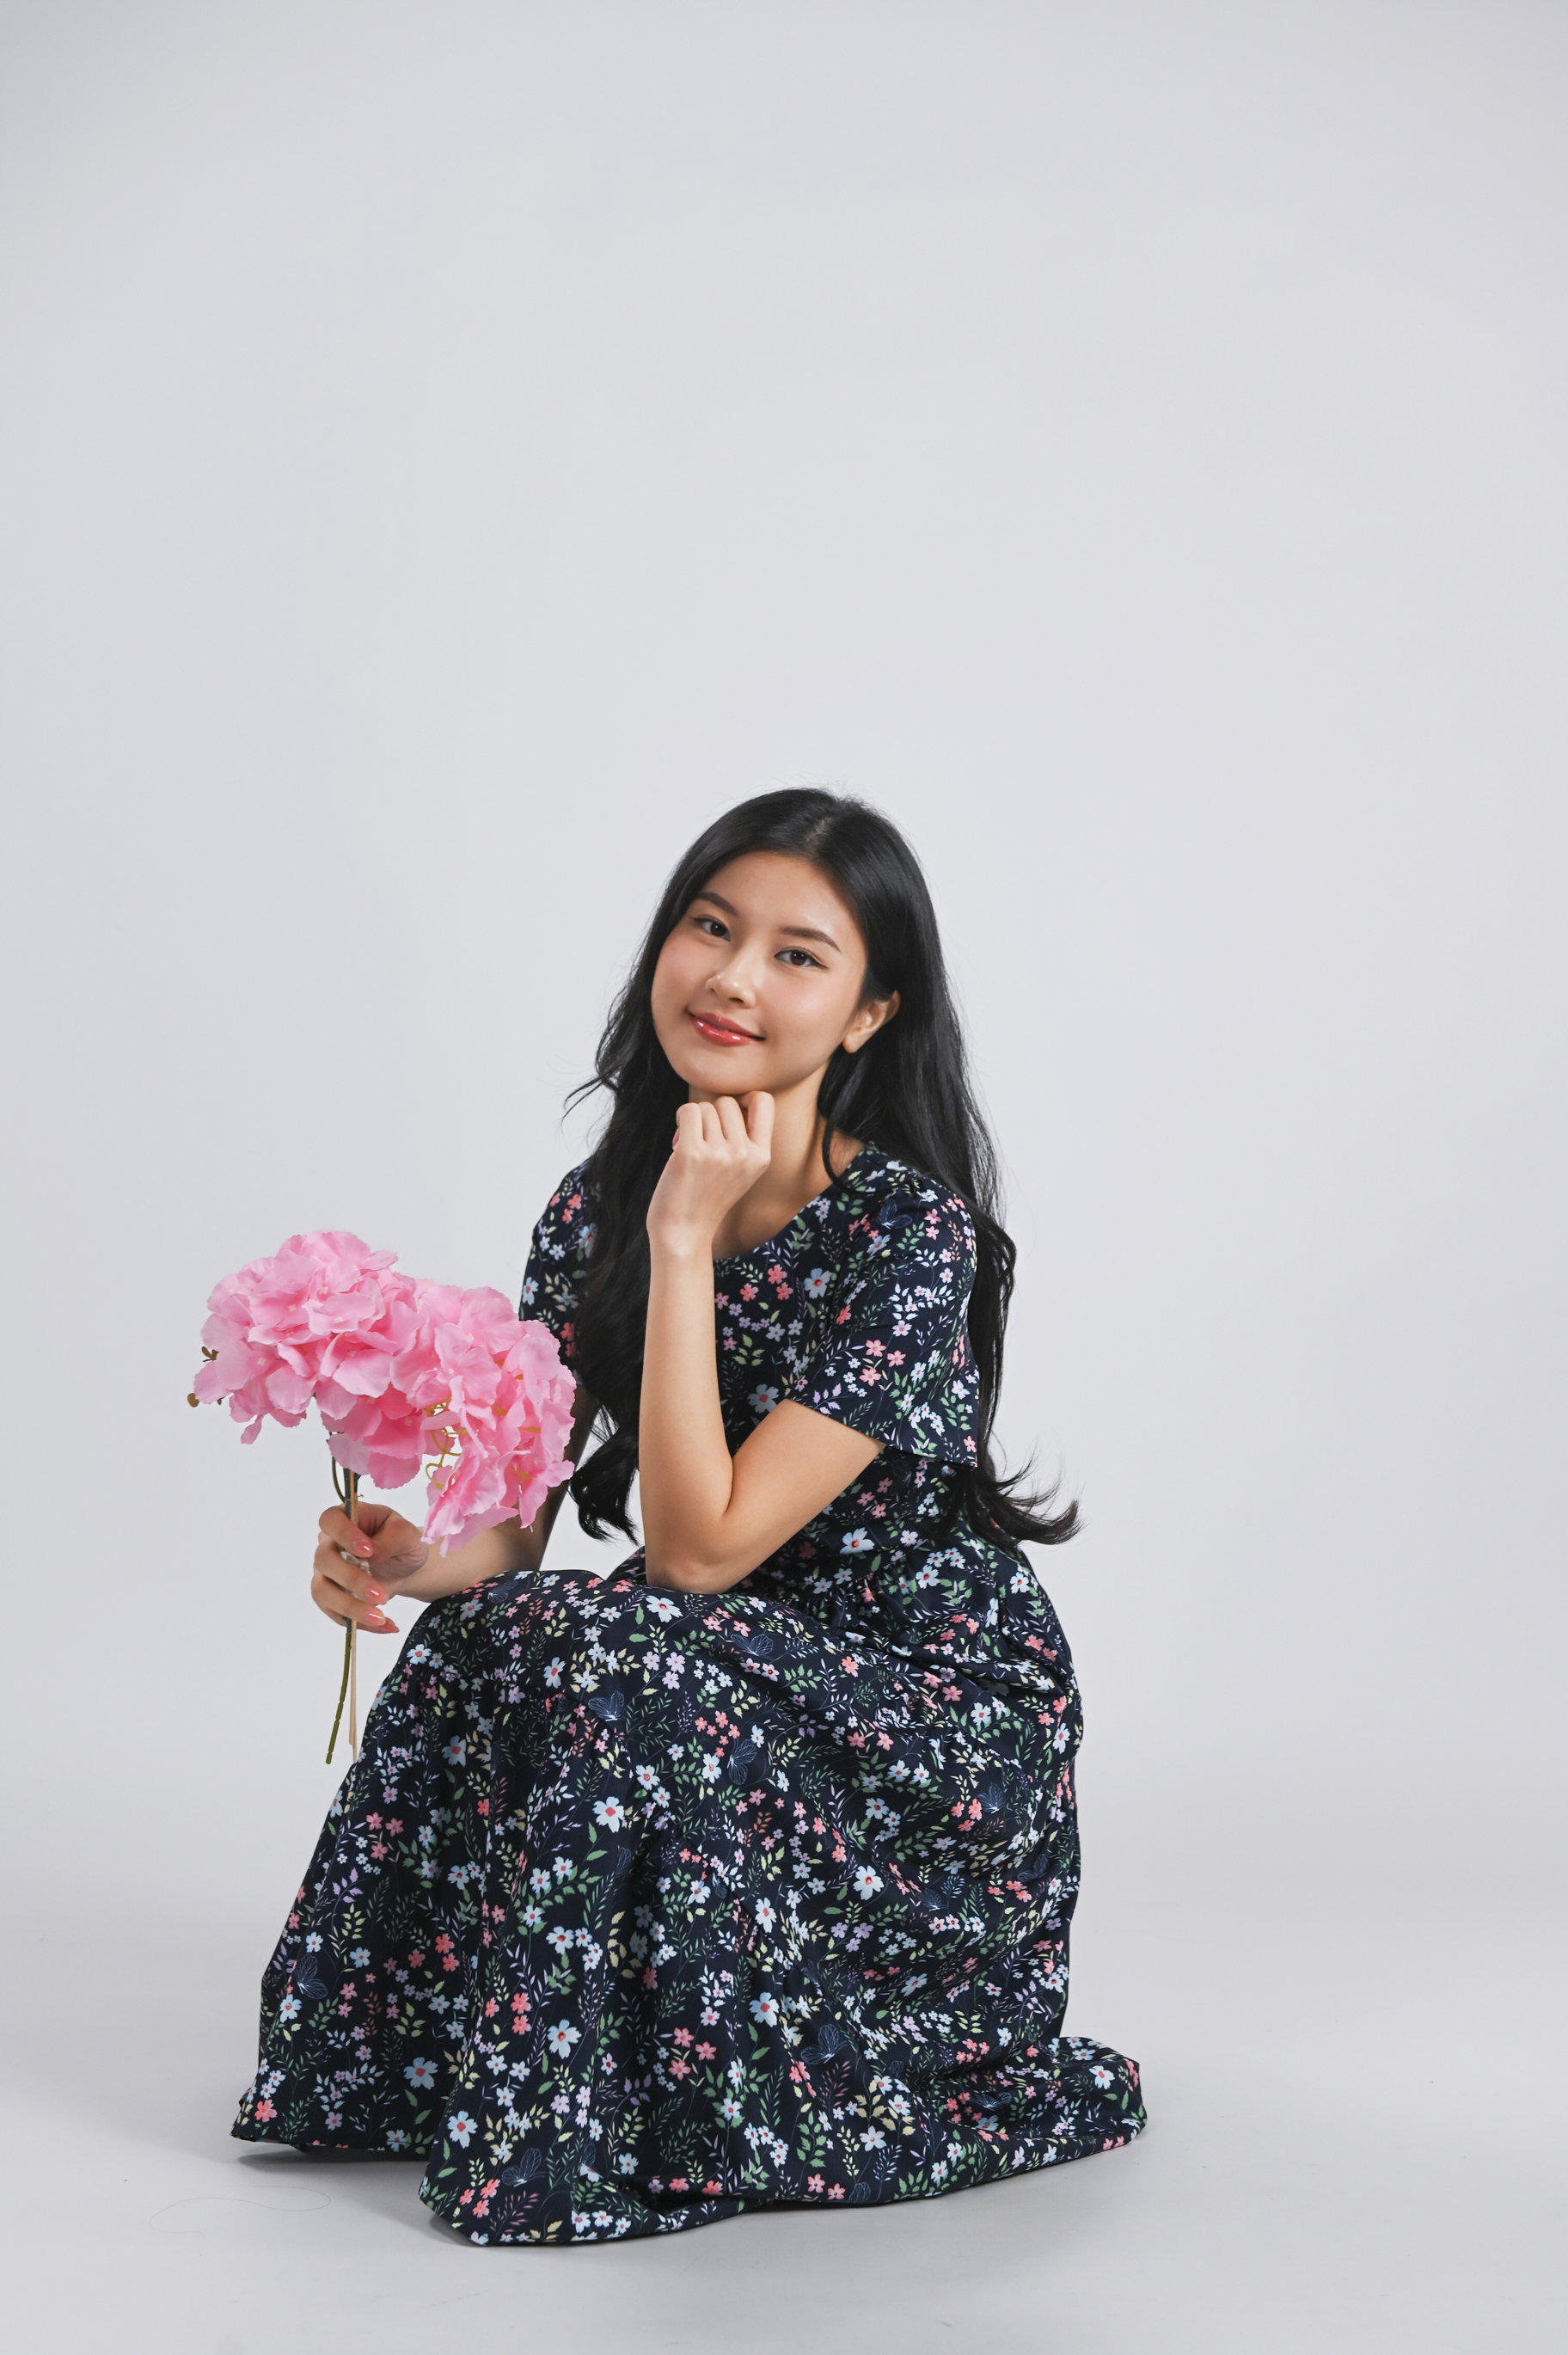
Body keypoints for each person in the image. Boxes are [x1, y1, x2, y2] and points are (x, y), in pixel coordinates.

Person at [233, 788, 1145, 2242]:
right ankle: (399, 2074)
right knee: (488, 1636)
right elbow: (517, 1534)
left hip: (922, 1716)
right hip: (714, 1667)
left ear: (869, 1013)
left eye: (798, 955)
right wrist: (409, 1561)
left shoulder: (909, 1239)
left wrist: (682, 1240)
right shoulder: (588, 1210)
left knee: (630, 1643)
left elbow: (701, 1554)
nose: (731, 978)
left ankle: (613, 2114)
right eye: (710, 928)